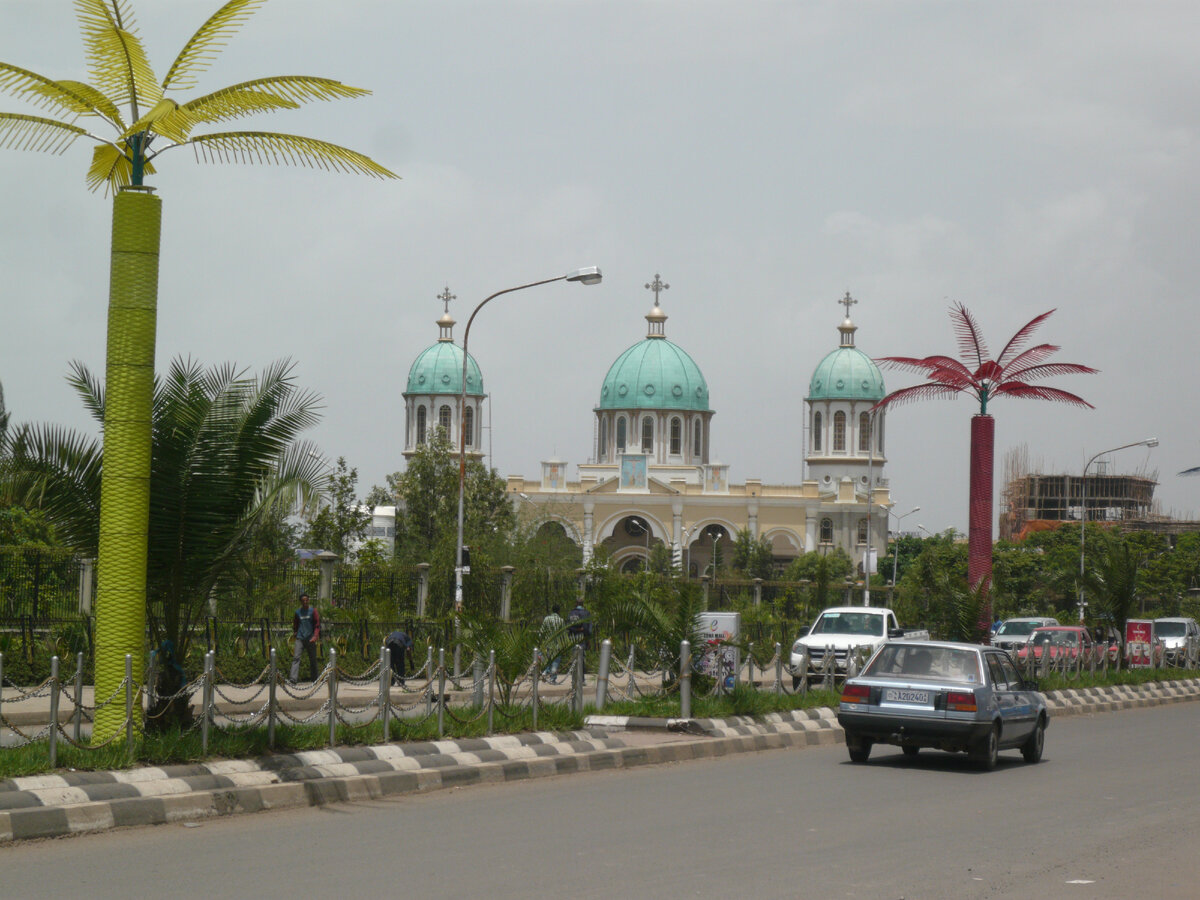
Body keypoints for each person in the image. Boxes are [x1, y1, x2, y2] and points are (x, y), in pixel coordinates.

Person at [289, 593, 321, 683]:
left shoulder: (313, 611)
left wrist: (315, 636)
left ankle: (315, 678)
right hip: (300, 638)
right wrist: (295, 632)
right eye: (303, 601)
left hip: (310, 638)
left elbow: (317, 625)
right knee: (296, 658)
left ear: (308, 600)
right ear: (301, 602)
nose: (305, 602)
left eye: (306, 600)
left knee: (313, 659)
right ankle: (293, 678)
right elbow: (295, 623)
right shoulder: (298, 612)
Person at [541, 605, 564, 682]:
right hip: (557, 644)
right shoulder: (561, 620)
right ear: (559, 611)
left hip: (547, 643)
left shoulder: (546, 619)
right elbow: (563, 633)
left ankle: (545, 672)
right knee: (555, 661)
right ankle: (552, 678)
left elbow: (542, 631)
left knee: (547, 659)